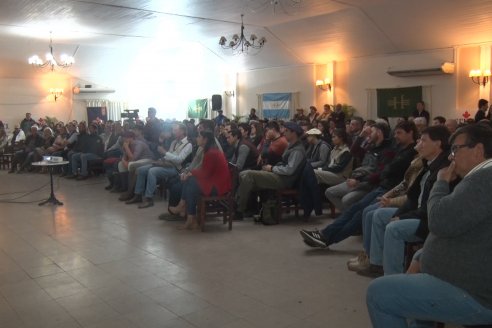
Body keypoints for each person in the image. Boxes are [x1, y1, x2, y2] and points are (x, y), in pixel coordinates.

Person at [366, 123, 492, 328]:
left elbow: (437, 220)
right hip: (464, 274)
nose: (451, 157)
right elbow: (456, 224)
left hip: (475, 293)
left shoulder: (483, 180)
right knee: (416, 259)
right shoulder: (480, 178)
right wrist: (423, 256)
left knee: (379, 294)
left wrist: (441, 183)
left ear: (478, 150)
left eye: (455, 150)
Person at [236, 121, 306, 215]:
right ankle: (247, 207)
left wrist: (272, 168)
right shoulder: (291, 145)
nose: (284, 133)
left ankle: (239, 209)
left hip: (284, 180)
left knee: (248, 175)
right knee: (243, 174)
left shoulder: (297, 150)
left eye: (286, 131)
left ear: (293, 133)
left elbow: (289, 170)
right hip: (280, 175)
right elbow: (282, 162)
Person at [168, 130, 231, 230]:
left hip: (219, 186)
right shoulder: (209, 150)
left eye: (199, 136)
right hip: (214, 181)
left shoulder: (212, 152)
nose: (197, 138)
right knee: (190, 182)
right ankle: (189, 216)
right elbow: (204, 171)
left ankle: (186, 213)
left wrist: (190, 173)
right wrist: (190, 173)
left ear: (205, 140)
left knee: (191, 182)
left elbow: (205, 173)